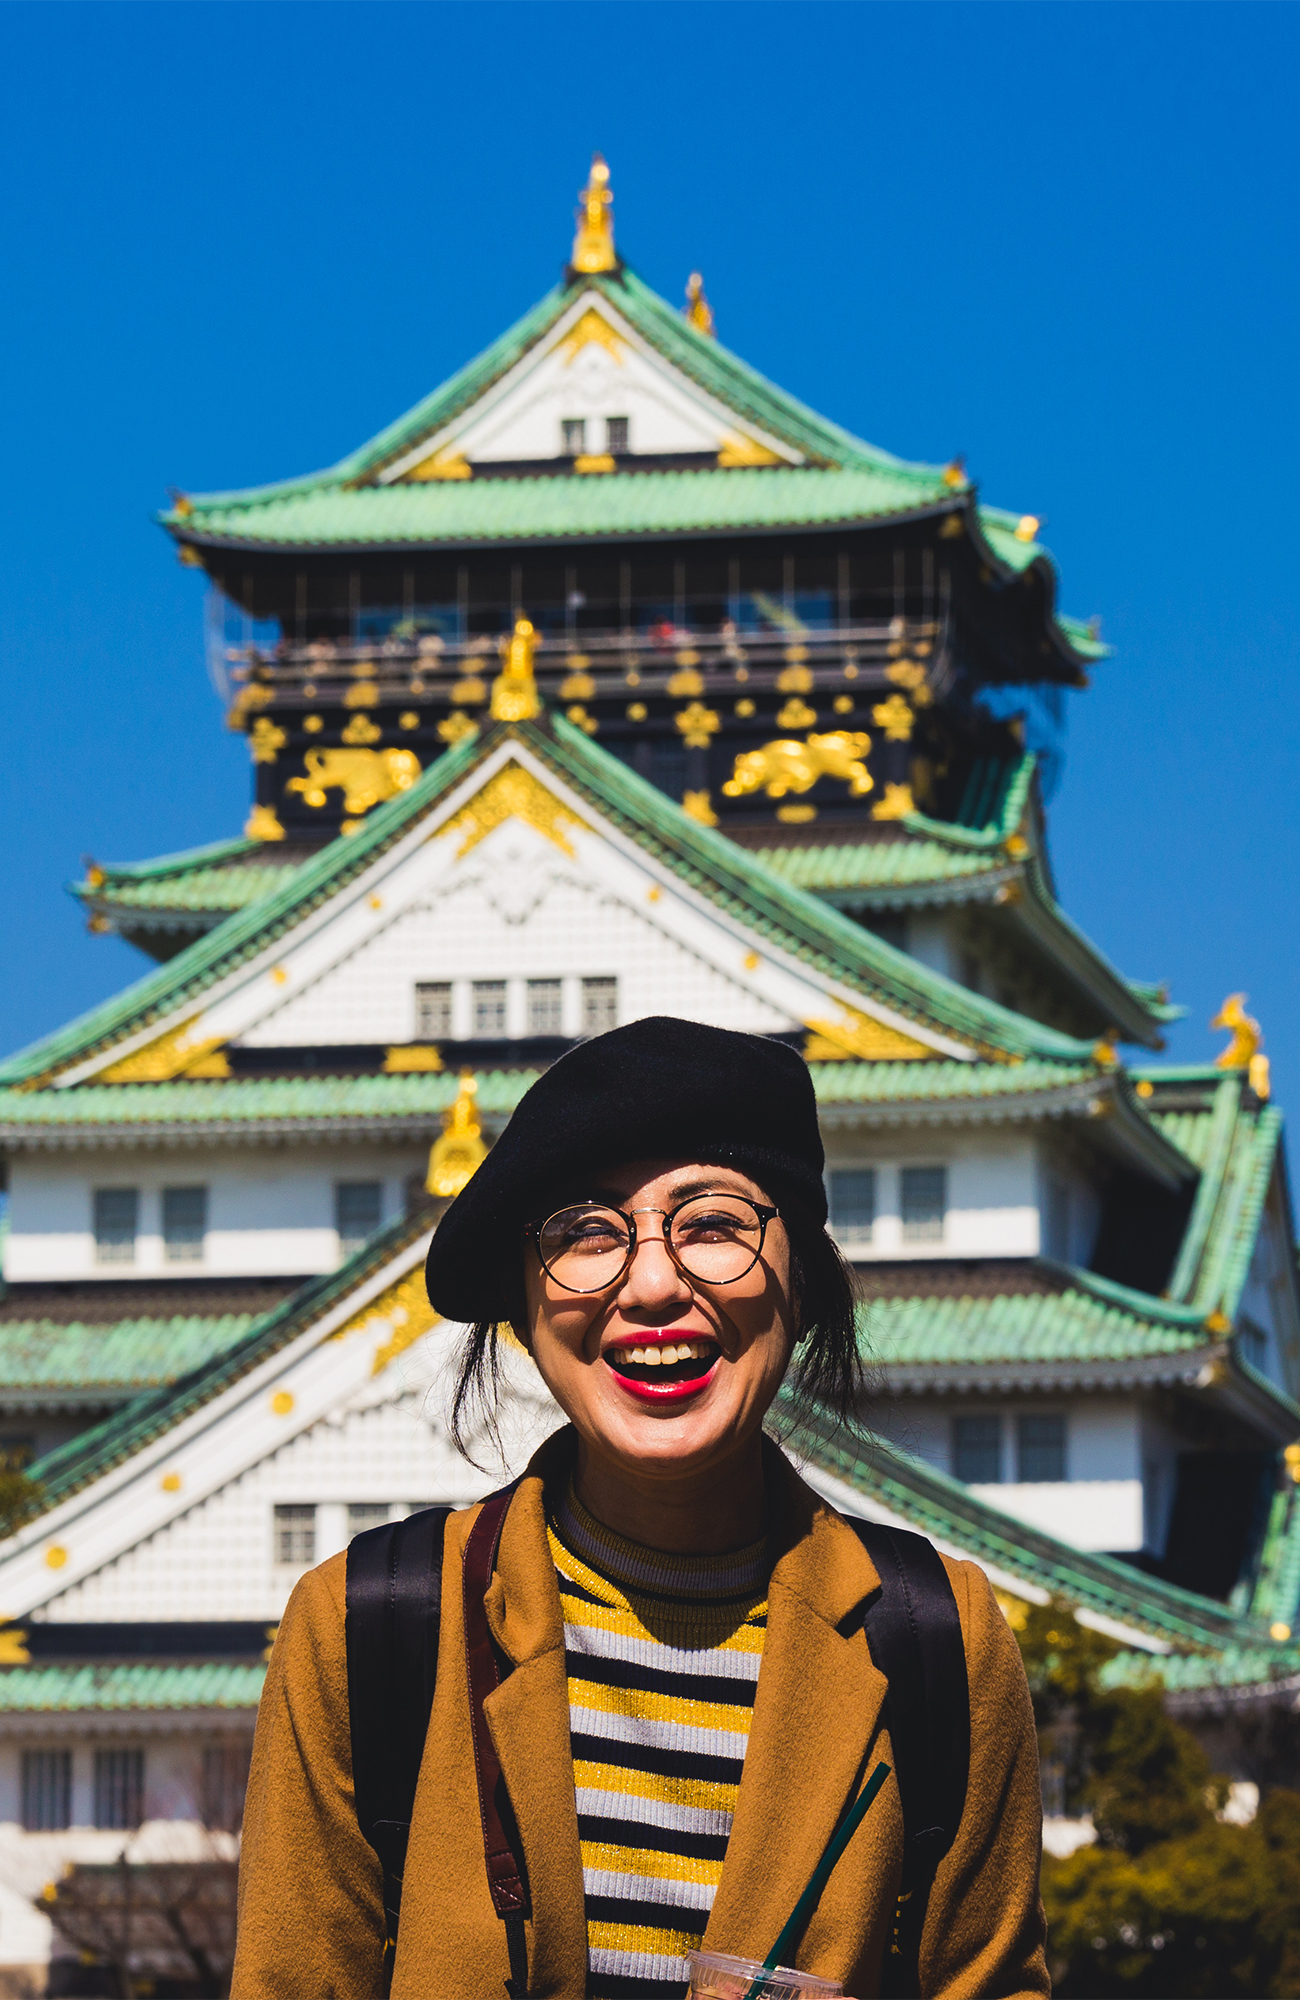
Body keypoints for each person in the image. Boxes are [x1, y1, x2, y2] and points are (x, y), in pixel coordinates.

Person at [233, 1017, 1047, 2000]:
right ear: (525, 1312)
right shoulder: (369, 1627)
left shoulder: (933, 1638)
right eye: (583, 1231)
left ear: (803, 1279)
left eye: (714, 1222)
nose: (653, 1283)